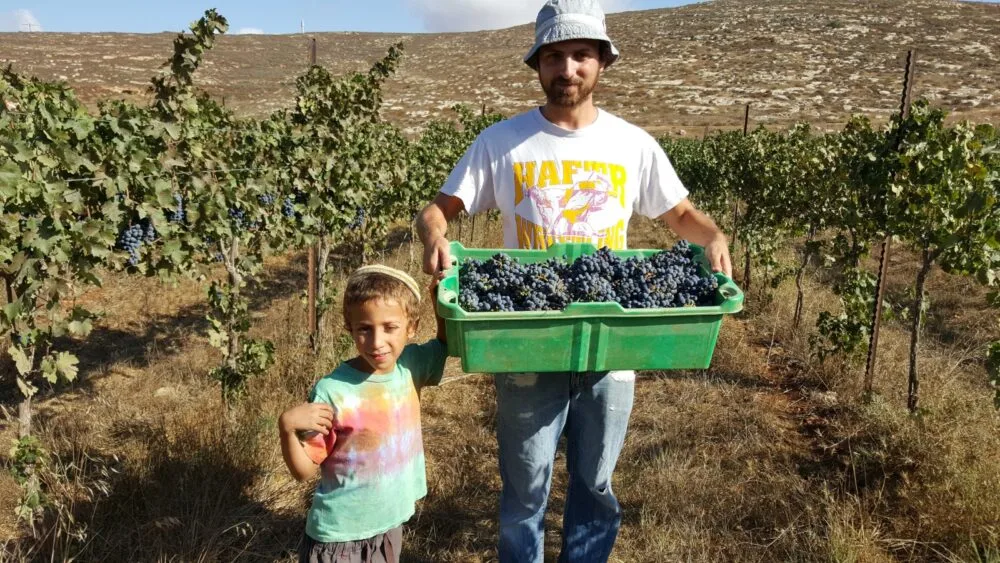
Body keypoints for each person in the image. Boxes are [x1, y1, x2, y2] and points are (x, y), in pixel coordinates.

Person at [415, 0, 734, 561]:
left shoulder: (632, 143)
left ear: (602, 63)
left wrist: (711, 235)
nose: (568, 69)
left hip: (612, 342)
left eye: (581, 55)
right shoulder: (501, 141)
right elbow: (438, 210)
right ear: (537, 65)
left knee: (596, 484)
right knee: (525, 488)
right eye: (555, 56)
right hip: (526, 341)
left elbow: (680, 215)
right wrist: (434, 235)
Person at [278, 265, 447, 563]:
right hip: (340, 540)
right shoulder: (333, 391)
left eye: (390, 327)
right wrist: (287, 428)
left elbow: (446, 345)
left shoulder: (411, 365)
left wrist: (440, 299)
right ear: (350, 328)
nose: (377, 342)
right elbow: (303, 471)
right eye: (364, 329)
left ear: (412, 327)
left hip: (388, 528)